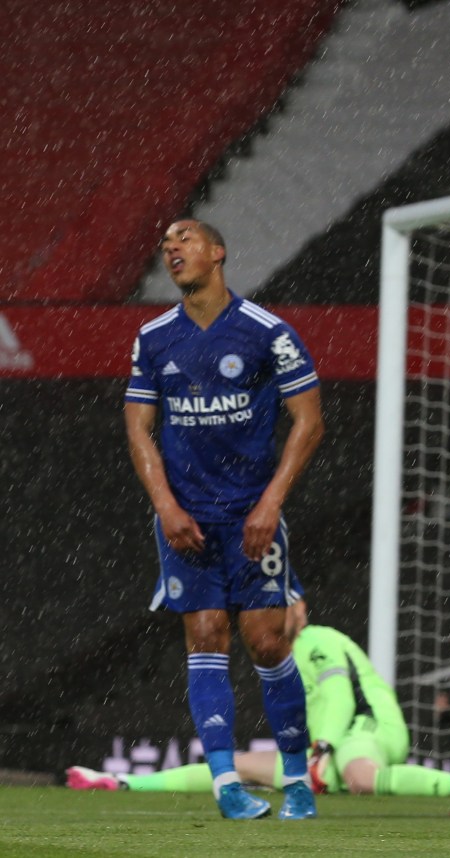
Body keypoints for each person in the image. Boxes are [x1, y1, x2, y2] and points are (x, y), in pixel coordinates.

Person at [123, 219, 324, 820]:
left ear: (217, 252)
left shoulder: (267, 333)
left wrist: (271, 503)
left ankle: (297, 779)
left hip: (251, 517)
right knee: (206, 635)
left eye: (183, 240)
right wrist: (165, 505)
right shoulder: (155, 337)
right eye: (164, 246)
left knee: (265, 642)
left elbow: (309, 421)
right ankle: (227, 788)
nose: (171, 250)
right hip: (185, 518)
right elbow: (137, 427)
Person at [66, 600, 450, 804]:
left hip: (367, 730)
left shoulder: (315, 640)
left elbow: (337, 699)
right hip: (325, 750)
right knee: (240, 765)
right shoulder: (279, 655)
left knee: (359, 777)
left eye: (284, 605)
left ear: (299, 610)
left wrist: (325, 747)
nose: (277, 613)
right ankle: (124, 782)